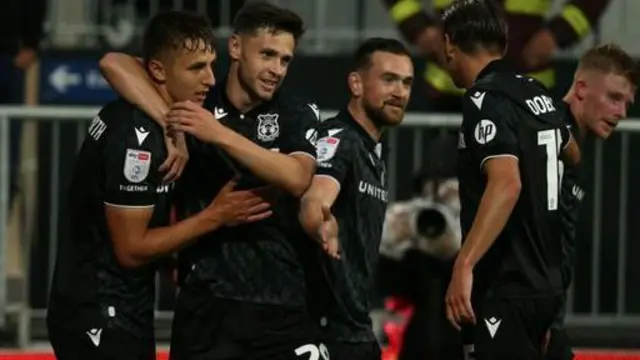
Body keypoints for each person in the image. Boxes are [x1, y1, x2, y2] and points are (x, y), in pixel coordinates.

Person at [99, 3, 324, 359]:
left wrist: (218, 133)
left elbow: (297, 178)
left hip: (283, 305)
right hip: (207, 305)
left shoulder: (296, 111)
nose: (276, 70)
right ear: (235, 48)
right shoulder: (198, 98)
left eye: (285, 60)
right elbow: (113, 62)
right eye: (267, 55)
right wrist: (168, 123)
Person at [46, 11, 273, 360]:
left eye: (212, 65)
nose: (210, 79)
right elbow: (131, 248)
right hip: (101, 311)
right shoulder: (136, 137)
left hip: (122, 308)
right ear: (157, 71)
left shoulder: (161, 119)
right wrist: (215, 216)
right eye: (196, 67)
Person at [438, 1, 580, 359]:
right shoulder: (535, 92)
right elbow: (572, 152)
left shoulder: (484, 98)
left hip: (507, 284)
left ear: (449, 44)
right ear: (501, 45)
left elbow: (507, 183)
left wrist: (464, 263)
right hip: (546, 284)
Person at [299, 37, 414, 360]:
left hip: (354, 325)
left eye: (407, 83)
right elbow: (316, 199)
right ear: (356, 83)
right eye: (389, 79)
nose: (400, 92)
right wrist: (323, 223)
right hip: (325, 329)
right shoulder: (340, 140)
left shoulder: (373, 153)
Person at [546, 43, 638, 360]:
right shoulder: (546, 136)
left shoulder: (573, 148)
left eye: (627, 103)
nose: (621, 113)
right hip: (521, 312)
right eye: (614, 98)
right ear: (581, 88)